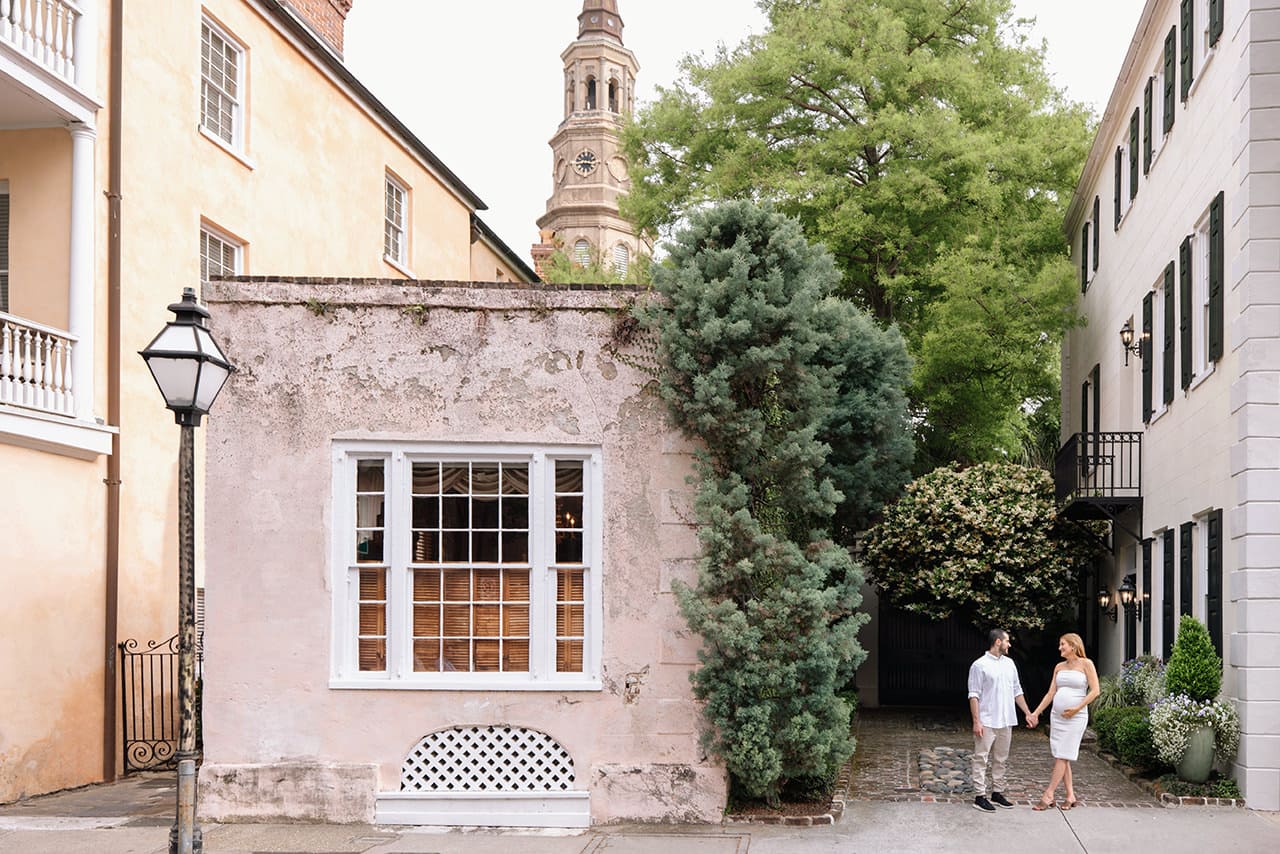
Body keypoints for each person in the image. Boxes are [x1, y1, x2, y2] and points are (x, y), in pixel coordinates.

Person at [1026, 632, 1100, 810]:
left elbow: (1095, 690)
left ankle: (1049, 795)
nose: (1059, 648)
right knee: (1062, 755)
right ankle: (1070, 795)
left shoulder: (1086, 664)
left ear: (1073, 646)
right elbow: (1051, 693)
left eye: (1062, 644)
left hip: (1076, 717)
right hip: (1057, 717)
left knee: (1063, 755)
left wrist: (1077, 708)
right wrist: (1035, 713)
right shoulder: (1059, 667)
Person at [967, 628, 1033, 812]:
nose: (1009, 644)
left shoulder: (1010, 664)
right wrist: (976, 721)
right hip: (987, 720)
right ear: (998, 642)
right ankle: (980, 796)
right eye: (1007, 641)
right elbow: (974, 695)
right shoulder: (979, 665)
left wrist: (1028, 712)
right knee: (981, 758)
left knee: (1001, 759)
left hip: (1006, 720)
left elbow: (1017, 691)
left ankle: (997, 792)